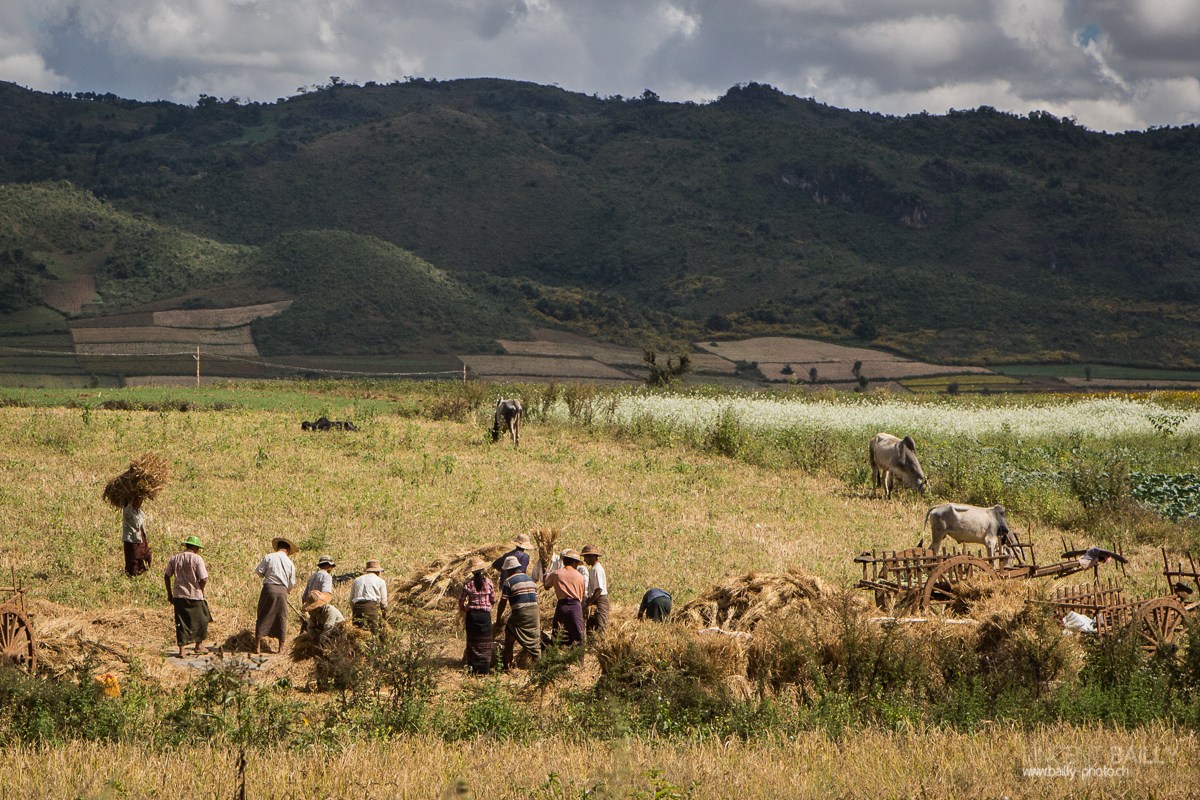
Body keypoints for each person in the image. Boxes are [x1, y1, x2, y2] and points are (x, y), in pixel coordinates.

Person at [163, 535, 210, 658]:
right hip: (195, 595)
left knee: (181, 621)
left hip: (179, 595)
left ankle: (182, 649)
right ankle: (198, 644)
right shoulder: (197, 559)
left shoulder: (174, 558)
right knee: (202, 619)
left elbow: (167, 576)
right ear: (195, 547)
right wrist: (201, 588)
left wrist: (169, 593)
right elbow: (204, 578)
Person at [494, 555, 540, 670]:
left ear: (508, 570)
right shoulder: (531, 580)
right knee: (534, 642)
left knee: (509, 636)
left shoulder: (509, 581)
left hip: (521, 612)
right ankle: (539, 668)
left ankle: (507, 667)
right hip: (534, 613)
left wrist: (498, 619)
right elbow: (537, 601)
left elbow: (503, 602)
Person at [253, 537, 296, 655]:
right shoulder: (290, 563)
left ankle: (257, 646)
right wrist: (286, 591)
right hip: (282, 591)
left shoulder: (269, 557)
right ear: (287, 550)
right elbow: (292, 583)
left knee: (263, 614)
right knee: (281, 616)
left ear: (277, 548)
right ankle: (281, 648)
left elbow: (259, 572)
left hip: (268, 589)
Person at [459, 557, 497, 675]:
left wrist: (464, 609)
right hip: (485, 616)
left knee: (473, 642)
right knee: (485, 642)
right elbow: (494, 600)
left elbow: (461, 602)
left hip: (472, 616)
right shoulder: (489, 583)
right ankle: (484, 669)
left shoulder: (467, 584)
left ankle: (473, 669)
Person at [544, 548, 586, 647]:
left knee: (557, 635)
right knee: (578, 636)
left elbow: (546, 586)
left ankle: (555, 658)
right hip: (575, 607)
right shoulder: (580, 576)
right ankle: (580, 661)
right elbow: (583, 596)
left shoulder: (557, 573)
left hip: (561, 607)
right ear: (574, 563)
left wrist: (546, 575)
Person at [349, 560, 388, 631]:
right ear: (378, 572)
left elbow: (351, 601)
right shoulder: (380, 581)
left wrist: (355, 612)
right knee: (373, 634)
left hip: (357, 608)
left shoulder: (357, 580)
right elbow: (383, 602)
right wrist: (384, 616)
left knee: (358, 634)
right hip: (371, 608)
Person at [581, 544, 609, 635]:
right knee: (591, 629)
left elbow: (598, 590)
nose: (584, 560)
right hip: (595, 600)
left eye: (586, 557)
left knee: (600, 628)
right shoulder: (594, 569)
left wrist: (589, 603)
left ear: (592, 556)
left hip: (599, 601)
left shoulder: (597, 569)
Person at [122, 497, 152, 577]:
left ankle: (141, 572)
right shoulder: (128, 512)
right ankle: (132, 574)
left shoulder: (140, 513)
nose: (138, 502)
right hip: (131, 539)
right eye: (136, 500)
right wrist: (130, 502)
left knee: (143, 554)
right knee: (133, 558)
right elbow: (127, 513)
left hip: (140, 537)